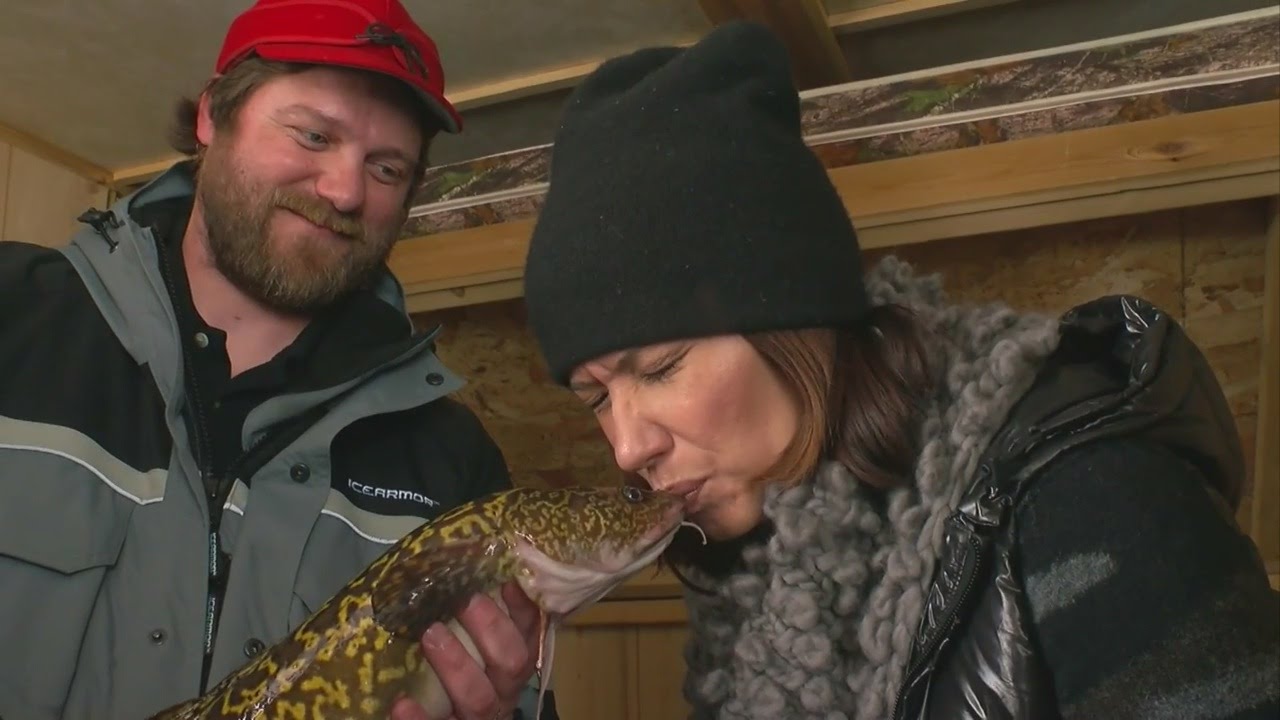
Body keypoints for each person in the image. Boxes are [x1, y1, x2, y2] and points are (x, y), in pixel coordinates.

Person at [520, 20, 1280, 720]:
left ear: (793, 318)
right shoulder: (757, 579)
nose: (626, 447)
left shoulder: (1097, 502)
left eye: (659, 366)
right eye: (595, 399)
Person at [0, 1, 557, 719]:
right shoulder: (14, 315)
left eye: (386, 168)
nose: (344, 190)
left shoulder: (454, 467)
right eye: (313, 134)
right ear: (211, 117)